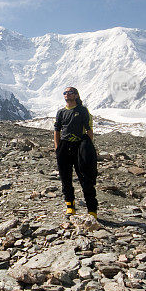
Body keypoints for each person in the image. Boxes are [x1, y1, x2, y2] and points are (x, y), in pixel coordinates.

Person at [54, 87, 99, 219]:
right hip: (64, 146)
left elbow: (89, 129)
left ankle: (92, 209)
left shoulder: (82, 110)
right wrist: (57, 147)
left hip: (80, 146)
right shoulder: (61, 112)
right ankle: (70, 206)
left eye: (70, 92)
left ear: (76, 95)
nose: (67, 94)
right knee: (65, 178)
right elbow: (57, 130)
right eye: (65, 93)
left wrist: (88, 147)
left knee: (86, 177)